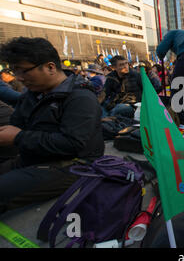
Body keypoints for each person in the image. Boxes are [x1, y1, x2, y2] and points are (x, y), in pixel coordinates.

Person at [0, 37, 105, 214]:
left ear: (50, 67)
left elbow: (72, 143)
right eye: (14, 70)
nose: (18, 77)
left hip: (72, 166)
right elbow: (16, 124)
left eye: (24, 71)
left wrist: (18, 137)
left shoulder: (80, 97)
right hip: (33, 158)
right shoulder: (30, 95)